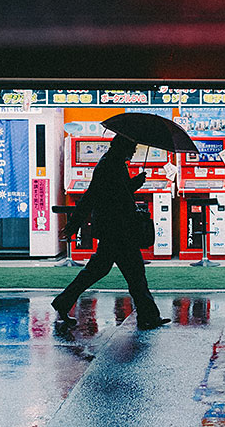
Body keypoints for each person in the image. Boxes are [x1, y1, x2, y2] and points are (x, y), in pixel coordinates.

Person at [52, 133, 170, 330]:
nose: (133, 152)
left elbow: (117, 193)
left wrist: (134, 183)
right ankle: (148, 316)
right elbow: (94, 195)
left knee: (104, 271)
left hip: (114, 229)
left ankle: (63, 302)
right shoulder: (109, 165)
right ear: (123, 146)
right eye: (132, 148)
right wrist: (73, 224)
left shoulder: (112, 162)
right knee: (134, 272)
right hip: (117, 230)